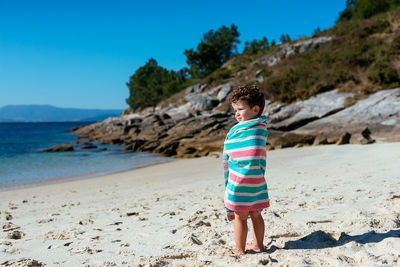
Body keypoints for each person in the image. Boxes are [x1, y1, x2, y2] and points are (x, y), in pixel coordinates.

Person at [223, 85, 269, 254]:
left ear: (255, 109)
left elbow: (233, 152)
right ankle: (259, 245)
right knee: (256, 213)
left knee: (240, 217)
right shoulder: (261, 127)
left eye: (240, 109)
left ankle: (239, 249)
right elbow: (257, 155)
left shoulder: (240, 130)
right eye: (235, 110)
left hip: (240, 181)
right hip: (256, 180)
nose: (236, 114)